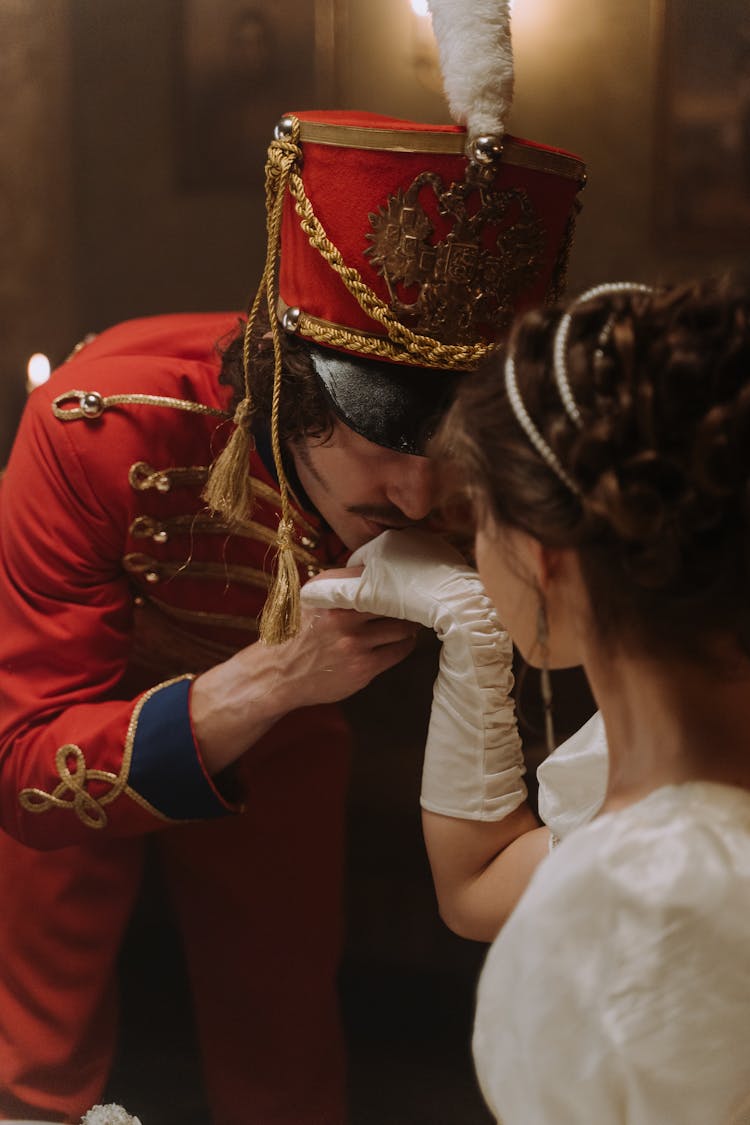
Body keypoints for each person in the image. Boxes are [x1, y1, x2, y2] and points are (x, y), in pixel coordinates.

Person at [0, 103, 585, 1122]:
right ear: (294, 384)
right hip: (86, 709)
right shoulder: (97, 428)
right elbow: (22, 768)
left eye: (445, 447)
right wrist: (276, 676)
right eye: (377, 436)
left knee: (282, 1024)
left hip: (293, 737)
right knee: (32, 1038)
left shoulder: (495, 466)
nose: (415, 496)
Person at [307, 276, 750, 1123]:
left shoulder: (624, 915)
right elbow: (477, 884)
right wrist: (476, 635)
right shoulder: (659, 769)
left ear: (544, 556)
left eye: (480, 518)